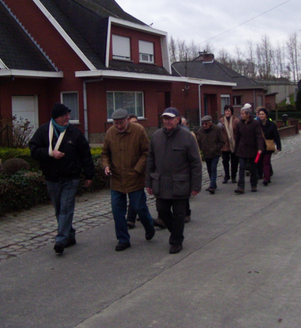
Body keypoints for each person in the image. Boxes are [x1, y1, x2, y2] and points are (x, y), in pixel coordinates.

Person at [29, 103, 94, 255]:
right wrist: (50, 153)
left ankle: (60, 240)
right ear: (56, 118)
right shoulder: (44, 131)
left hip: (71, 177)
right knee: (59, 209)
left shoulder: (74, 133)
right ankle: (69, 235)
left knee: (66, 207)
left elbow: (85, 154)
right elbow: (33, 150)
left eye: (68, 115)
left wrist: (89, 175)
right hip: (52, 177)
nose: (68, 118)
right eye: (64, 115)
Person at [146, 107, 202, 254]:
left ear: (178, 119)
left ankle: (176, 241)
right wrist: (149, 183)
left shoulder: (187, 137)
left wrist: (196, 185)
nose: (167, 121)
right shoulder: (156, 136)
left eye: (170, 118)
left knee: (179, 215)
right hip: (161, 183)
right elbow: (150, 161)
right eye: (165, 118)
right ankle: (176, 234)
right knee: (162, 211)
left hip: (180, 184)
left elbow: (196, 162)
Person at [101, 109, 155, 251]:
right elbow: (105, 153)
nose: (118, 126)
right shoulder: (110, 133)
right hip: (117, 179)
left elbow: (146, 152)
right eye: (115, 123)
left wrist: (137, 169)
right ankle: (123, 239)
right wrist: (106, 166)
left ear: (127, 120)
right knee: (117, 211)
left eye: (121, 123)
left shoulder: (139, 130)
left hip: (135, 178)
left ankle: (149, 227)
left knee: (139, 208)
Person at [234, 107, 264, 194]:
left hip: (253, 149)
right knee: (242, 168)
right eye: (241, 114)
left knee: (253, 168)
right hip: (242, 149)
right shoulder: (239, 124)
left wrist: (260, 148)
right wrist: (236, 149)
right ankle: (240, 186)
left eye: (243, 114)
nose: (241, 115)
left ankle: (253, 184)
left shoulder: (255, 123)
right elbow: (237, 138)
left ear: (248, 114)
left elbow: (259, 136)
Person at [196, 115, 225, 194]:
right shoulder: (200, 131)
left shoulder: (217, 129)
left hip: (215, 153)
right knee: (209, 169)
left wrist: (216, 148)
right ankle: (213, 184)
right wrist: (201, 149)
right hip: (206, 153)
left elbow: (222, 141)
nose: (204, 125)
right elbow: (198, 141)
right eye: (203, 124)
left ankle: (212, 186)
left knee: (213, 168)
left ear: (210, 123)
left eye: (206, 124)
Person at [256, 107, 282, 186]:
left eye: (262, 114)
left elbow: (276, 136)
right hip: (259, 146)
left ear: (266, 115)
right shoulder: (256, 124)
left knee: (266, 162)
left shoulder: (271, 124)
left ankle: (266, 178)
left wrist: (278, 146)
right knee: (258, 161)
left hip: (268, 146)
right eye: (260, 114)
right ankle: (261, 174)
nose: (261, 116)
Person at [219, 104, 239, 184]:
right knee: (225, 161)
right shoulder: (221, 120)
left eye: (229, 110)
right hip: (224, 144)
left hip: (234, 144)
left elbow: (238, 131)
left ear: (231, 112)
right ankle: (227, 176)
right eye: (226, 111)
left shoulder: (236, 120)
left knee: (234, 161)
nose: (227, 112)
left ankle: (233, 176)